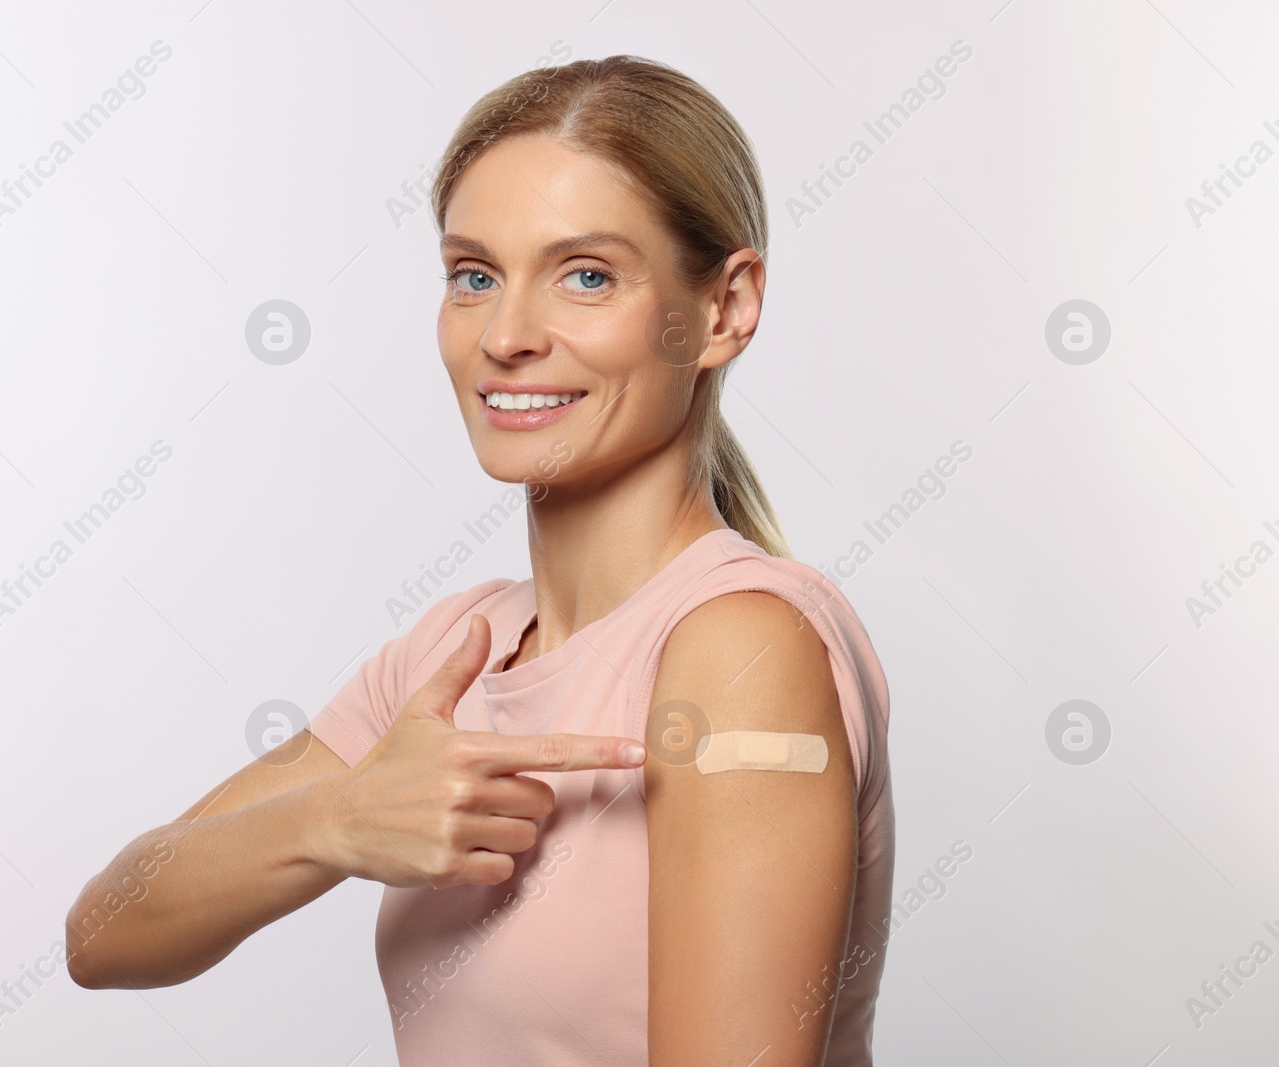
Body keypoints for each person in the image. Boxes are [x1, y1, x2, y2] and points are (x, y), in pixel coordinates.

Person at [66, 54, 894, 1066]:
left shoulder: (740, 649)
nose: (505, 335)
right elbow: (103, 933)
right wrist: (333, 816)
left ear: (722, 309)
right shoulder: (451, 654)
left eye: (585, 274)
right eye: (474, 275)